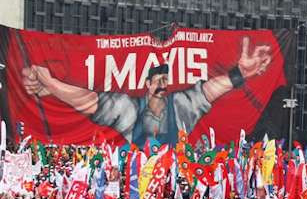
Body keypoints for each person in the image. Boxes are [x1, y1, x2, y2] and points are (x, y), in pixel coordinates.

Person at [21, 37, 273, 146]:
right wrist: (53, 86)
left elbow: (208, 90)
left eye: (166, 79)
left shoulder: (181, 106)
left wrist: (239, 73)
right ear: (147, 85)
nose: (162, 85)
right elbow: (89, 100)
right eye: (157, 80)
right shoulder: (128, 110)